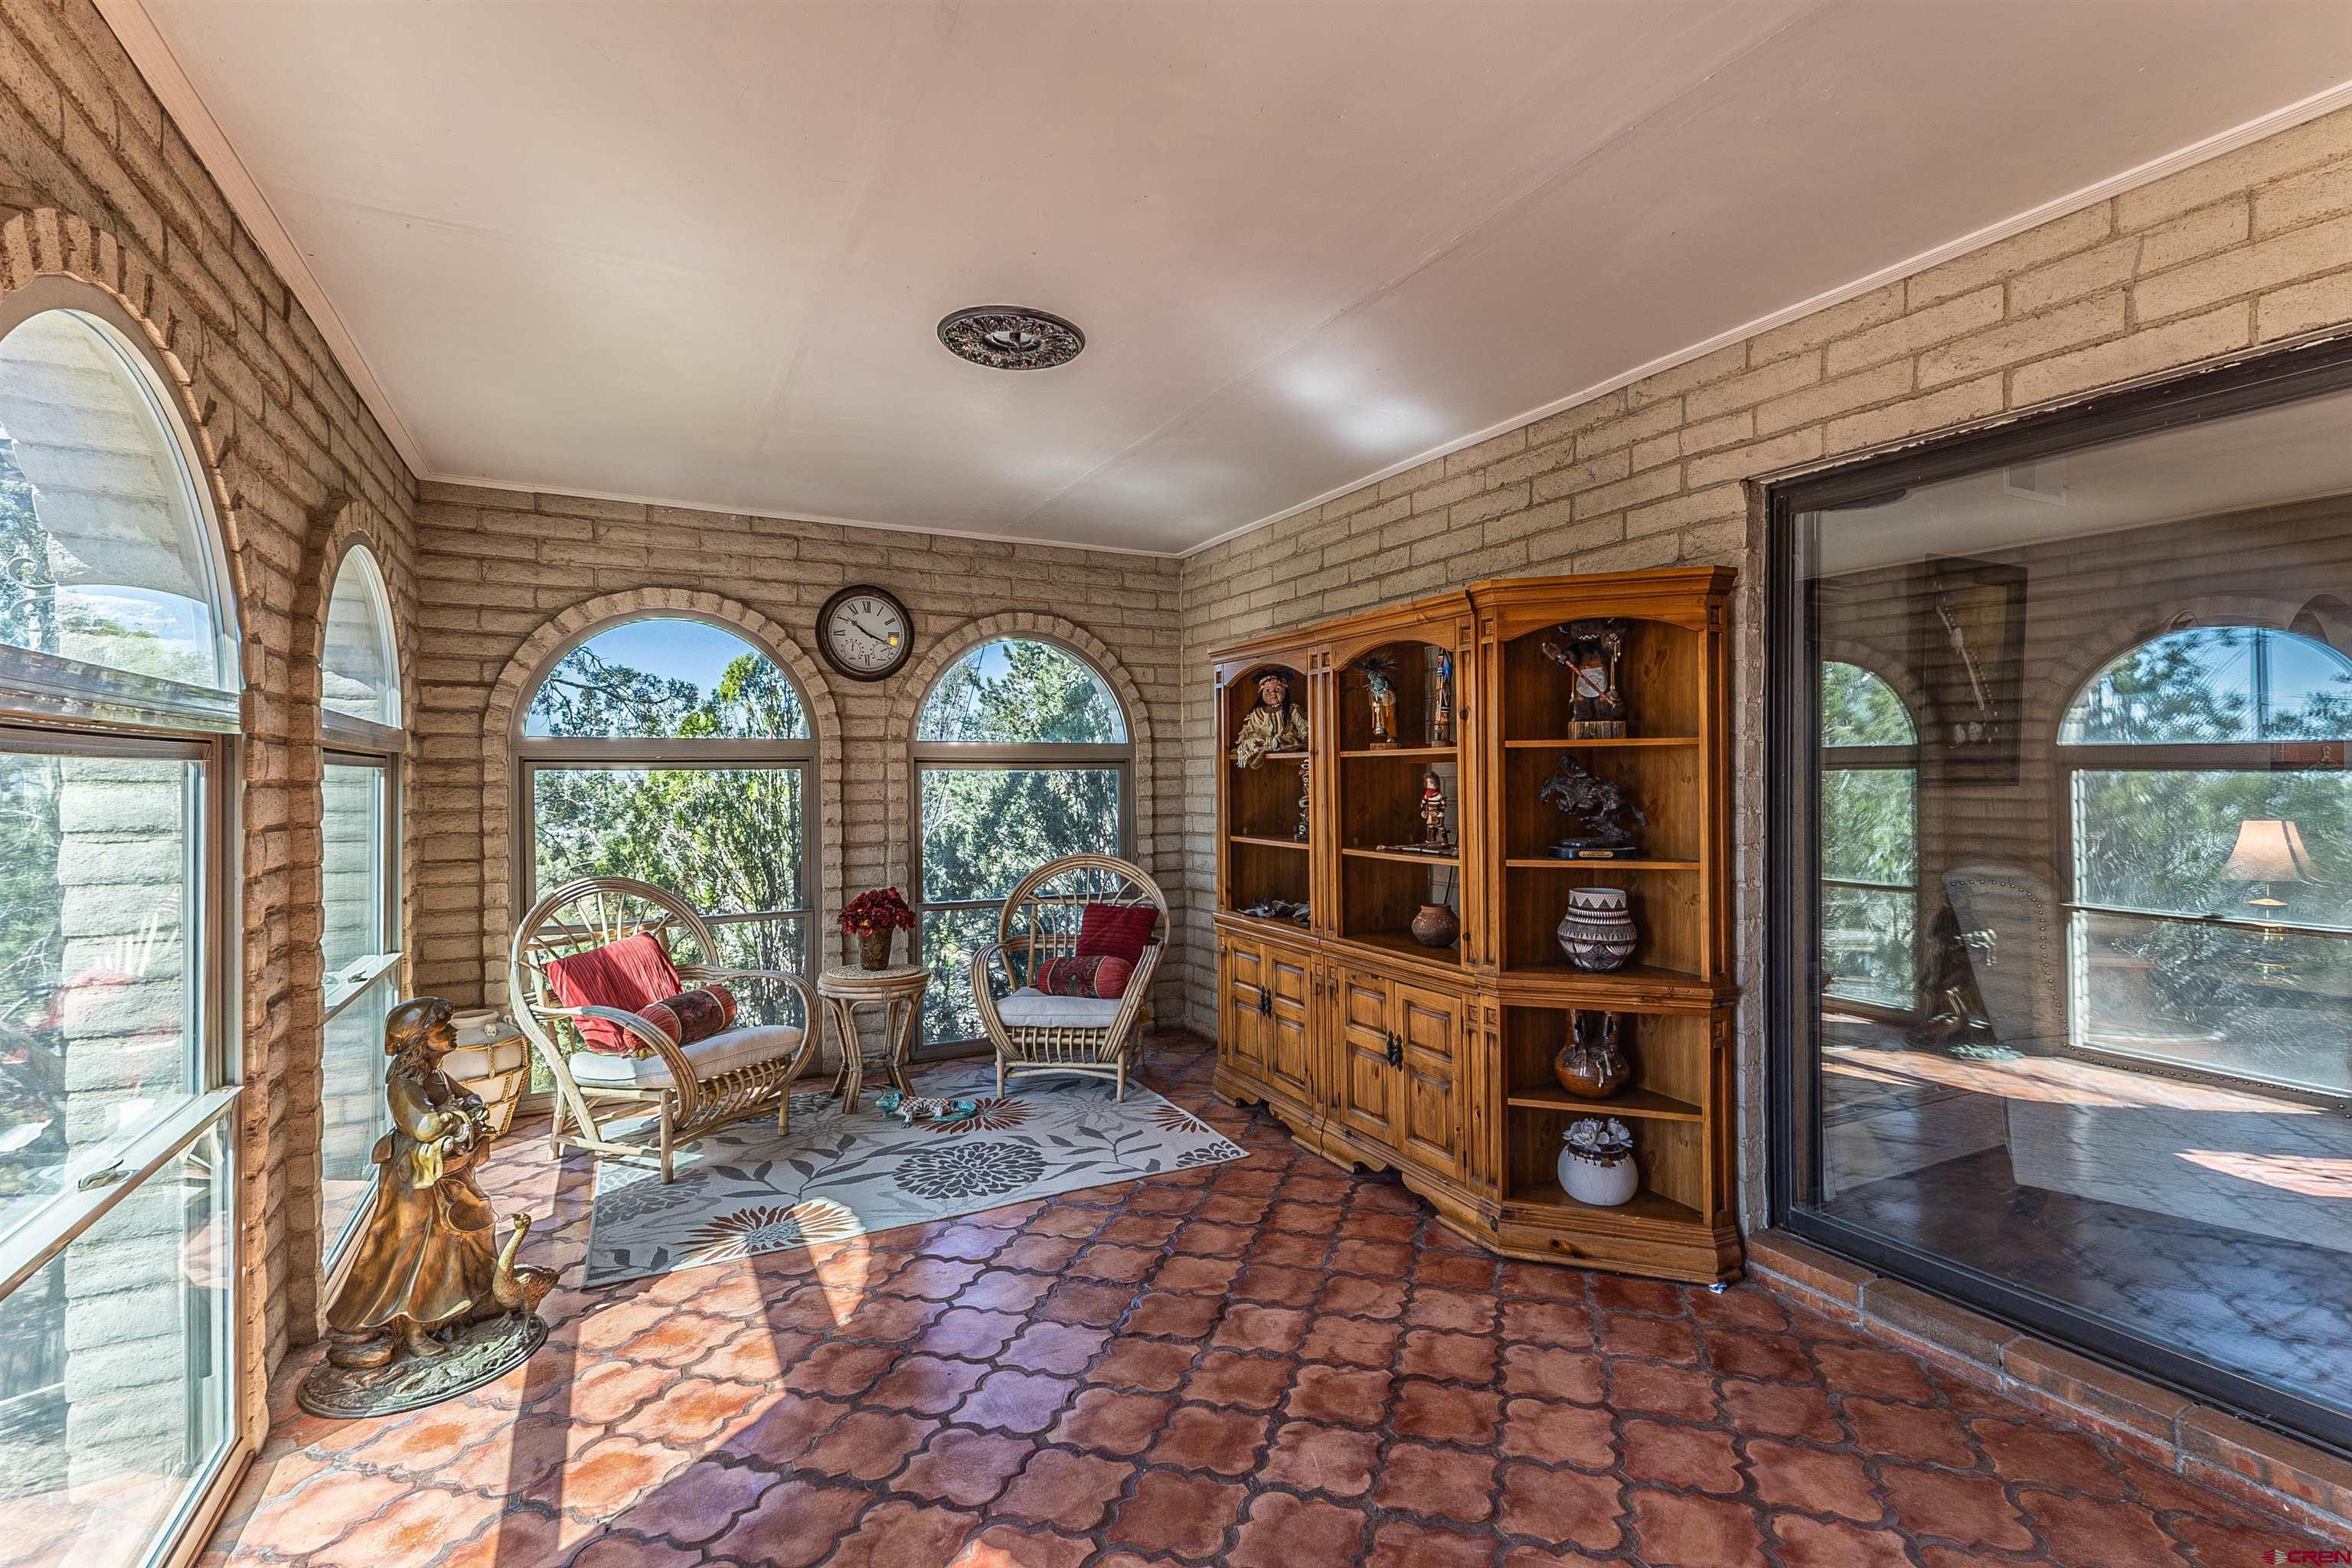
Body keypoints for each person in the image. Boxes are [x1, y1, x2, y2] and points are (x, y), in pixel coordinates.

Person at [324, 996, 500, 1364]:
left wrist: (460, 1111)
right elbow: (425, 1126)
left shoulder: (434, 1074)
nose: (451, 1032)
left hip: (449, 1169)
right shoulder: (403, 1085)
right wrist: (458, 1116)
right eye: (441, 1029)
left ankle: (472, 1301)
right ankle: (414, 1329)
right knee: (421, 1251)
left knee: (470, 1228)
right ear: (419, 1039)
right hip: (416, 1181)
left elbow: (470, 1100)